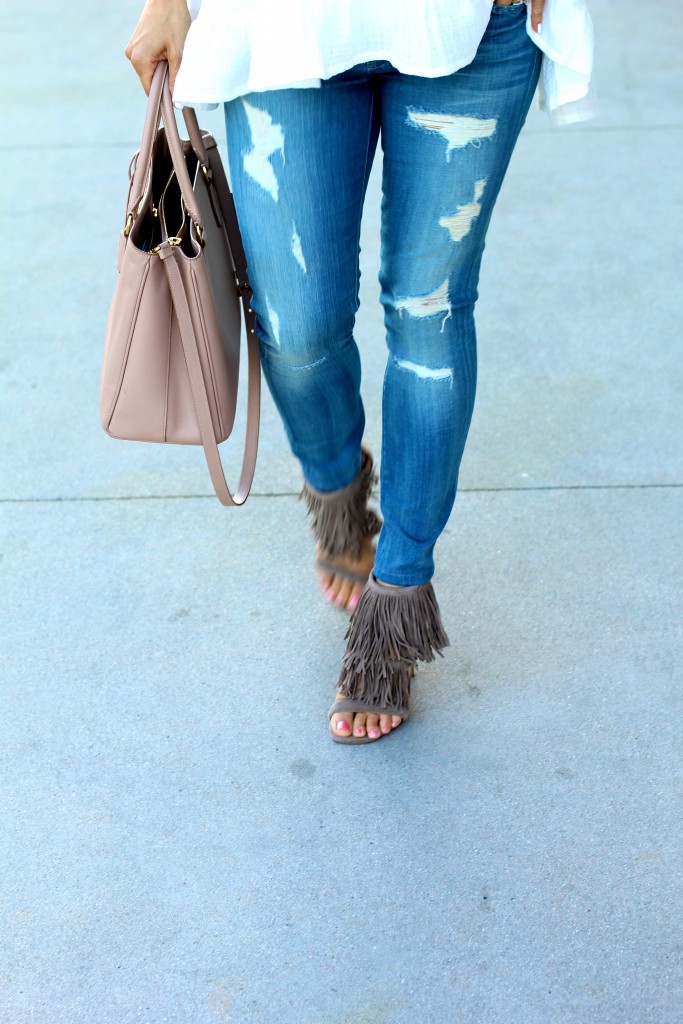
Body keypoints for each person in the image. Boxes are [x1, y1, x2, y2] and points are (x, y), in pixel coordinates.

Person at [126, 0, 594, 744]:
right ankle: (336, 489)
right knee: (296, 326)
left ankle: (398, 595)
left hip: (472, 26)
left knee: (429, 311)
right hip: (284, 23)